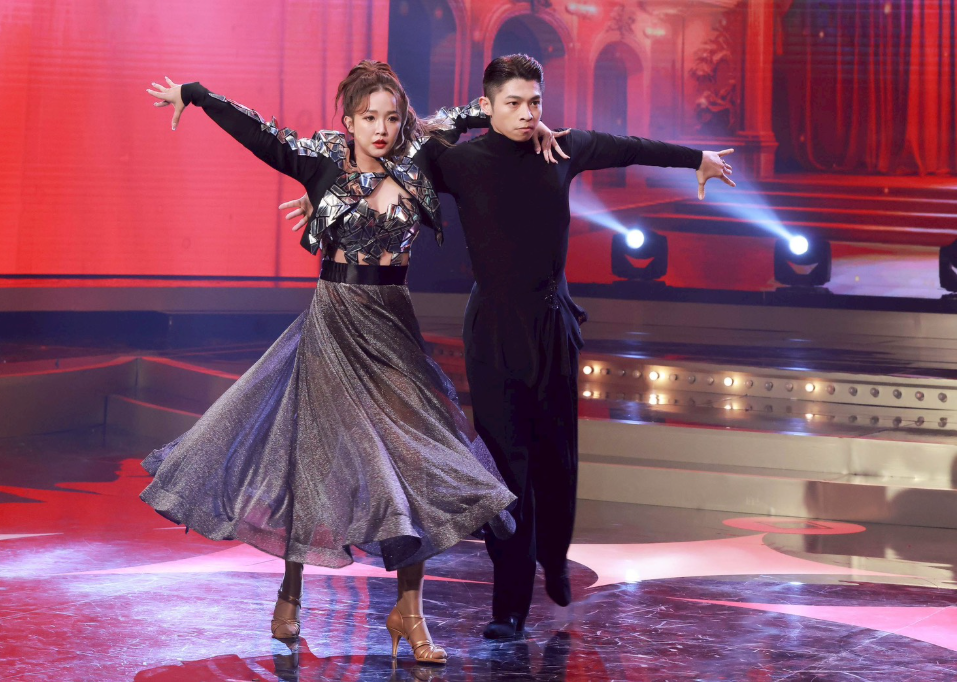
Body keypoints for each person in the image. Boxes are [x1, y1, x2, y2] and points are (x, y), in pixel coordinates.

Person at [283, 54, 735, 641]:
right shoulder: (459, 162)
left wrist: (696, 158)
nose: (527, 114)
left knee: (557, 459)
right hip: (494, 331)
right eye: (514, 104)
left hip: (553, 326)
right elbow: (396, 153)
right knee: (507, 469)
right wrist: (328, 197)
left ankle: (555, 557)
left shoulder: (562, 149)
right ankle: (510, 607)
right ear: (488, 106)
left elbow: (630, 147)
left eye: (534, 103)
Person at [140, 61, 559, 664]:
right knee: (309, 460)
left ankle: (409, 613)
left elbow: (481, 110)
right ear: (349, 121)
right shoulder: (321, 164)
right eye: (369, 118)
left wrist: (531, 123)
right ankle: (290, 592)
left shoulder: (419, 154)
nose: (382, 129)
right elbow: (262, 134)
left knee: (411, 465)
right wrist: (198, 95)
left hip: (392, 328)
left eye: (391, 118)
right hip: (334, 324)